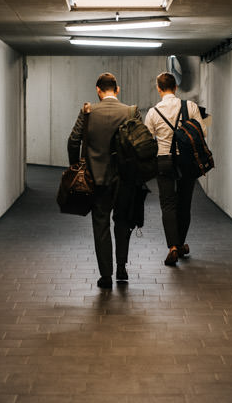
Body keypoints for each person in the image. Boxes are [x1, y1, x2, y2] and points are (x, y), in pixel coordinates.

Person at [67, 72, 142, 288]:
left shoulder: (88, 112)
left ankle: (106, 275)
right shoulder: (131, 112)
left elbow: (73, 141)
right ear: (117, 90)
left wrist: (76, 167)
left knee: (101, 224)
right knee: (122, 222)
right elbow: (140, 143)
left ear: (98, 90)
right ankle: (121, 268)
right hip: (125, 179)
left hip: (96, 178)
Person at [144, 71, 207, 266]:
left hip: (163, 161)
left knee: (168, 205)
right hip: (187, 161)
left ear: (159, 88)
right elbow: (202, 132)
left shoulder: (154, 111)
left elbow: (147, 138)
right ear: (176, 87)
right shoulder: (190, 106)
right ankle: (180, 244)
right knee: (184, 203)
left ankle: (172, 246)